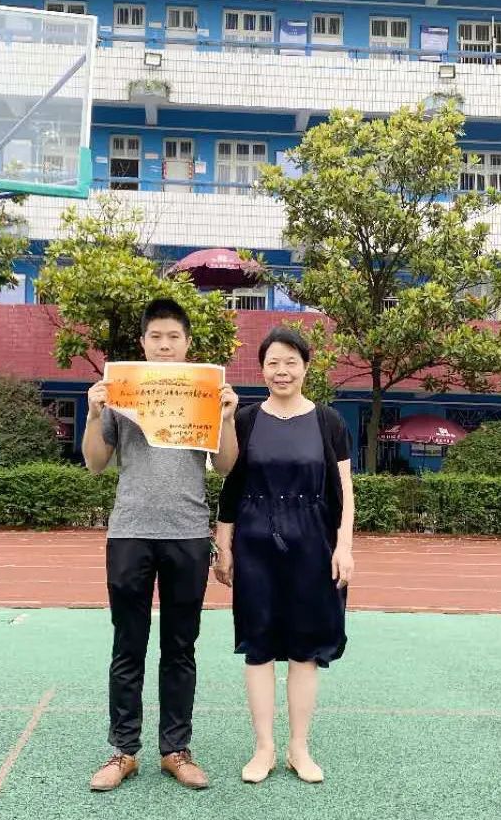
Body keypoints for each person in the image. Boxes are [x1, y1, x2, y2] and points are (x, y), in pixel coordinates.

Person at [82, 298, 239, 792]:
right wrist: (93, 414)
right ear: (143, 343)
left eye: (173, 337)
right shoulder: (121, 392)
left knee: (180, 647)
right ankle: (122, 751)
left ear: (187, 343)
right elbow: (95, 463)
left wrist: (228, 418)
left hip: (188, 533)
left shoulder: (204, 392)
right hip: (130, 531)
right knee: (127, 645)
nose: (165, 345)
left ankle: (176, 749)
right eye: (156, 337)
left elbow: (227, 466)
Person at [214, 326, 354, 785]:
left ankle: (298, 747)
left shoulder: (329, 422)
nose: (282, 371)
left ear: (306, 367)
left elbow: (344, 492)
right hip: (255, 542)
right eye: (273, 362)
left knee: (304, 650)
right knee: (258, 648)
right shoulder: (246, 420)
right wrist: (224, 544)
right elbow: (231, 487)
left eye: (291, 362)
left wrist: (345, 545)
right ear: (262, 369)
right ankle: (264, 748)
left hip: (313, 543)